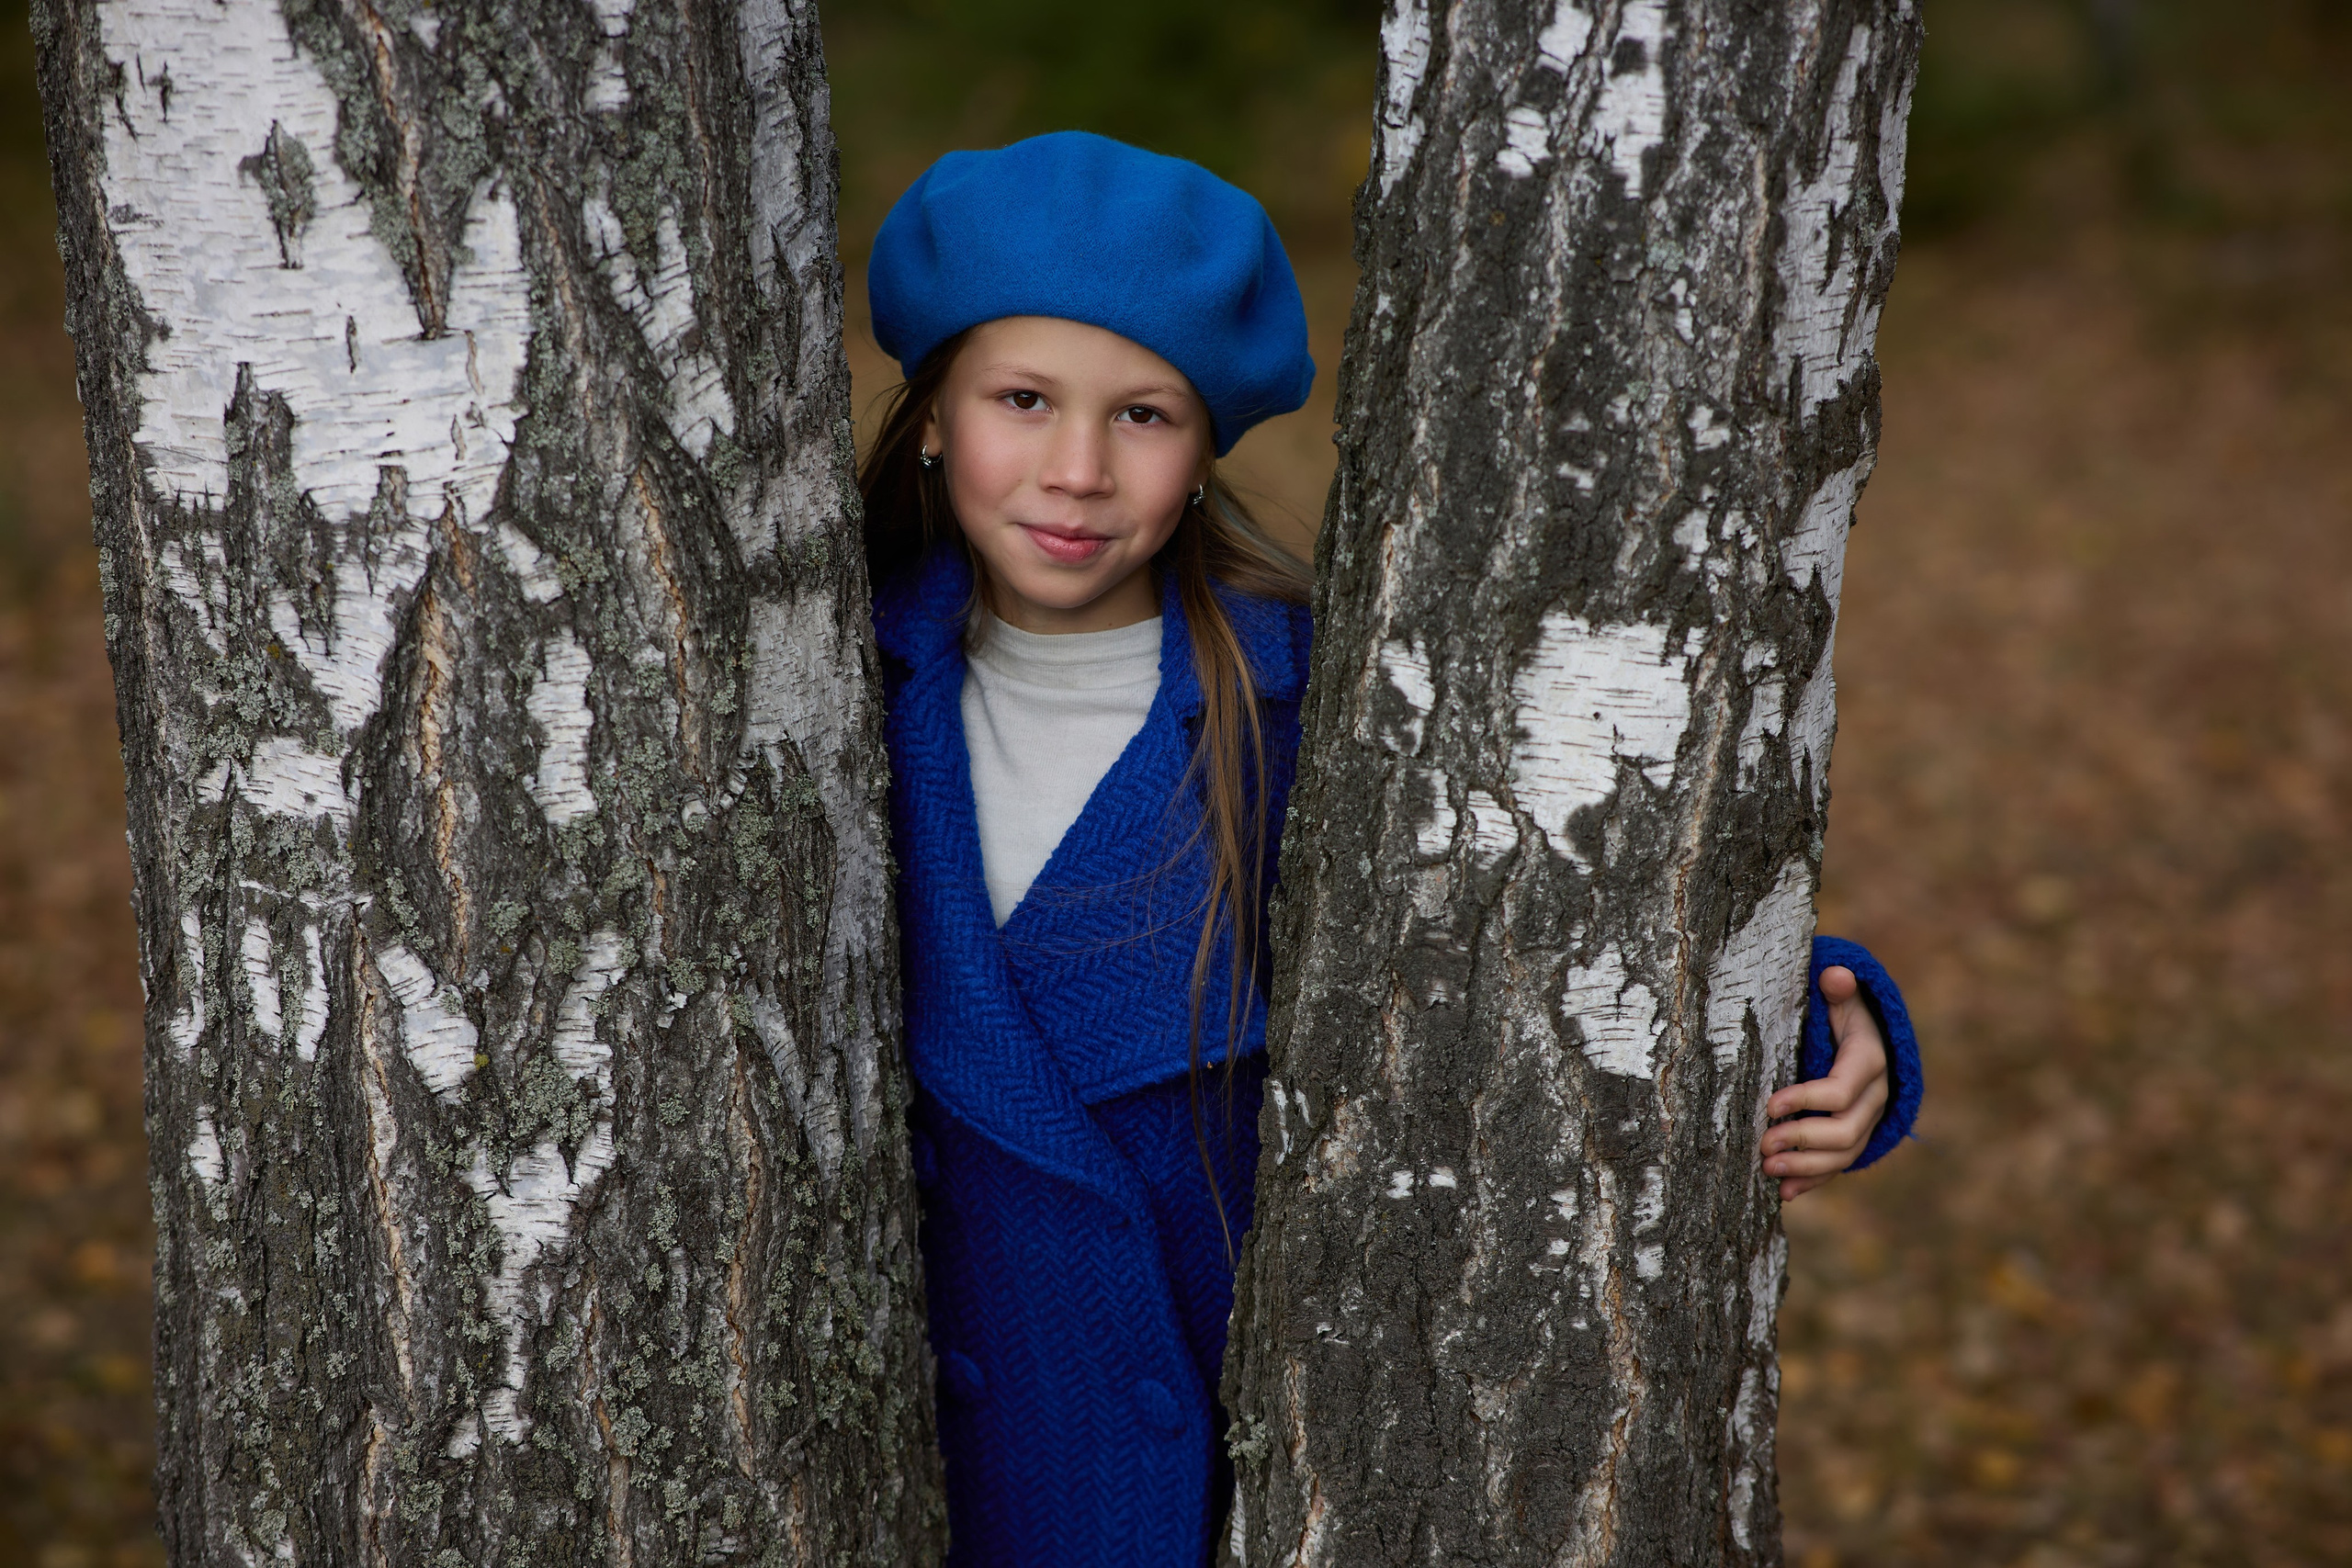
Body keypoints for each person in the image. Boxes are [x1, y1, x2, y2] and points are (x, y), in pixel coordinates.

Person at [860, 131, 1922, 1568]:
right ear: (933, 414)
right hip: (915, 1465)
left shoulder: (1315, 700)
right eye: (1025, 399)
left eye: (1145, 416)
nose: (1076, 470)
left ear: (1206, 444)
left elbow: (1534, 920)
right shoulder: (835, 693)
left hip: (1228, 1459)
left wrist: (1818, 1030)